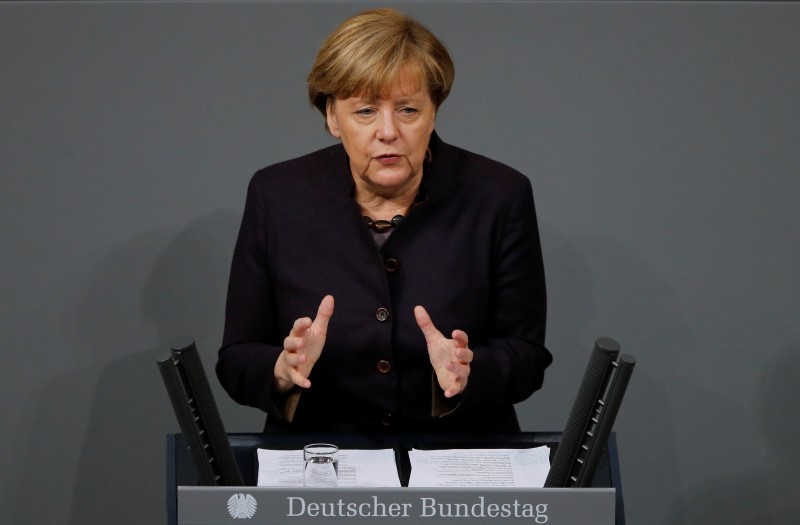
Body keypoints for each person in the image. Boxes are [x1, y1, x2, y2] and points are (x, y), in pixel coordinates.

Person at [216, 8, 551, 434]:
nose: (388, 131)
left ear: (434, 112)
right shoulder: (276, 196)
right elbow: (237, 357)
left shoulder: (499, 195)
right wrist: (283, 369)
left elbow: (527, 355)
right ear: (333, 118)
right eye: (365, 112)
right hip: (322, 470)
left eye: (408, 110)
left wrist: (471, 372)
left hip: (456, 471)